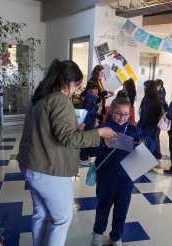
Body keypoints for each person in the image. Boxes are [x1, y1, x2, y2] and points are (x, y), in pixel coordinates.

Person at [17, 59, 116, 246]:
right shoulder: (59, 100)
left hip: (31, 163)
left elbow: (48, 131)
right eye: (76, 85)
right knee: (62, 218)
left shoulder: (39, 97)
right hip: (48, 168)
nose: (76, 90)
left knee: (41, 213)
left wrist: (75, 129)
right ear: (68, 82)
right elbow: (68, 140)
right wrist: (100, 133)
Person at [88, 97, 154, 246]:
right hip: (106, 175)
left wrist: (145, 142)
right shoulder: (104, 128)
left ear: (129, 114)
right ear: (111, 112)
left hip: (126, 176)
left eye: (125, 114)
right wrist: (104, 144)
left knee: (121, 209)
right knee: (103, 206)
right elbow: (91, 150)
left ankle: (116, 236)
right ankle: (98, 232)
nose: (122, 117)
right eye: (118, 113)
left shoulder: (134, 130)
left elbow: (151, 144)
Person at [138, 80, 164, 166]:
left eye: (145, 86)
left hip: (147, 125)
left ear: (148, 88)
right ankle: (158, 157)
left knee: (145, 142)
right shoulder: (158, 99)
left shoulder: (146, 100)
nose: (144, 88)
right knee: (155, 140)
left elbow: (144, 115)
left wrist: (139, 126)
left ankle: (146, 162)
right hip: (155, 125)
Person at [80, 83, 101, 166]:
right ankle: (83, 158)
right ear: (89, 89)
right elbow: (87, 112)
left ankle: (84, 157)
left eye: (97, 89)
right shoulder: (89, 97)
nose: (96, 91)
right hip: (87, 123)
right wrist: (96, 107)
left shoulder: (91, 97)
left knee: (89, 140)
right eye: (94, 88)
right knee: (87, 141)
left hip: (89, 122)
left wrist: (95, 119)